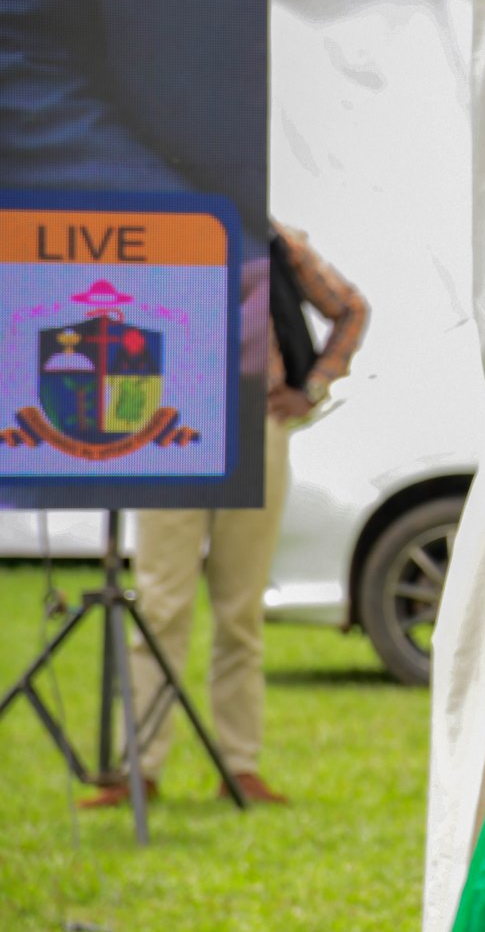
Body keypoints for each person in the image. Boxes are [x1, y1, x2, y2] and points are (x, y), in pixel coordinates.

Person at [81, 223, 368, 807]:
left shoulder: (275, 239)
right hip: (166, 426)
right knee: (160, 604)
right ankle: (140, 769)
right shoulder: (150, 232)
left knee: (240, 609)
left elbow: (351, 308)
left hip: (253, 425)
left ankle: (239, 766)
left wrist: (311, 388)